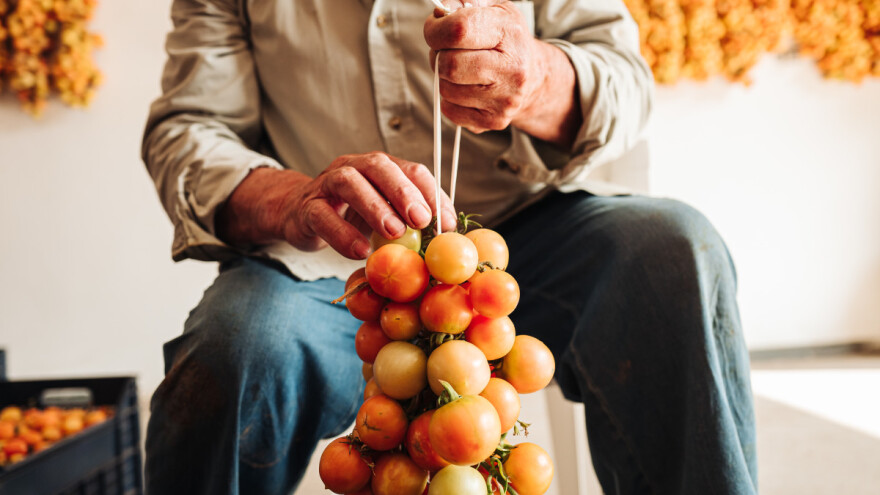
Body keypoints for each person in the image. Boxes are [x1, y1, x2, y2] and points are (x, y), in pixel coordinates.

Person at [141, 0, 757, 493]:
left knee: (675, 254)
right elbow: (188, 129)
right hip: (332, 260)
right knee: (235, 348)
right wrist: (290, 199)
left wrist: (539, 80)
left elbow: (625, 80)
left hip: (528, 230)